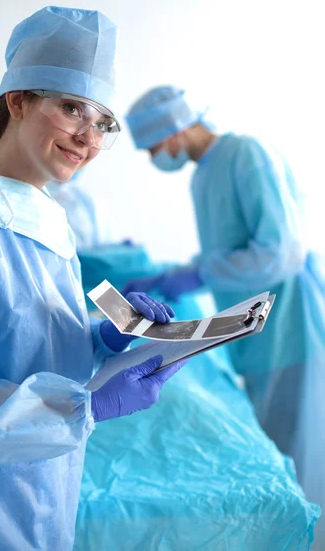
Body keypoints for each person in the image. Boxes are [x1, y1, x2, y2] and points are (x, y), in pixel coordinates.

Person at [0, 8, 187, 551]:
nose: (88, 138)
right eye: (71, 108)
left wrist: (102, 339)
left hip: (43, 483)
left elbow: (29, 346)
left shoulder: (48, 211)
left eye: (102, 123)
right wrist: (85, 407)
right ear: (17, 101)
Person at [122, 85, 325, 536]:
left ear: (172, 128)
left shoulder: (246, 154)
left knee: (297, 452)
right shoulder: (203, 174)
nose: (156, 156)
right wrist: (171, 275)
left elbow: (280, 252)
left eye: (153, 146)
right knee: (273, 440)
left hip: (291, 323)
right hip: (257, 330)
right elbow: (229, 251)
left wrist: (195, 276)